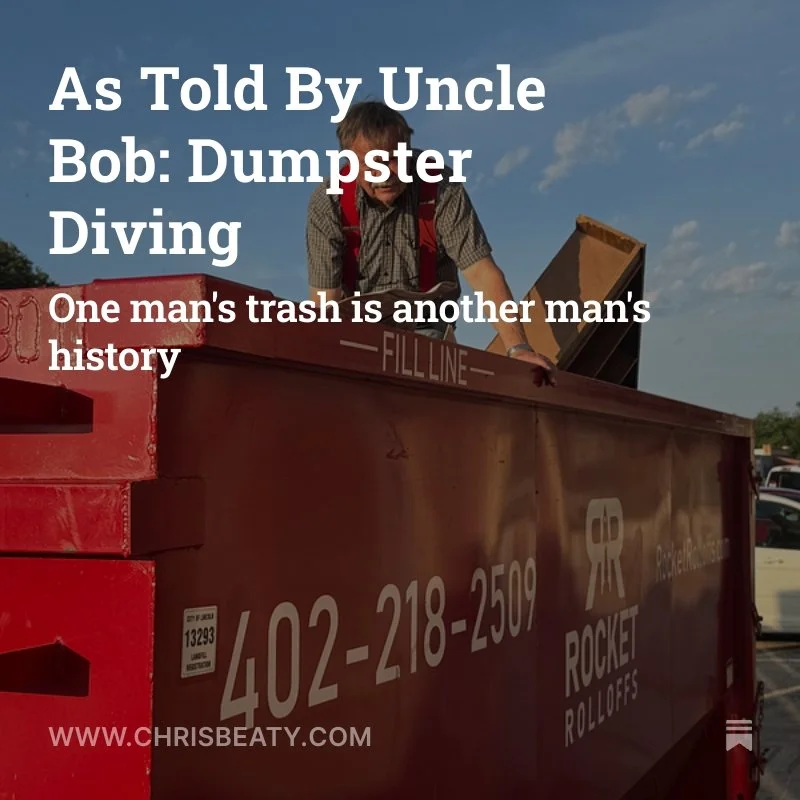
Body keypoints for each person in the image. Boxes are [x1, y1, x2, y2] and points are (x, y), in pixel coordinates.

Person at [305, 100, 556, 387]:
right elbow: (325, 303)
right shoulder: (328, 202)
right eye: (372, 163)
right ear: (349, 161)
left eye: (394, 158)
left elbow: (481, 272)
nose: (386, 173)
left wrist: (518, 349)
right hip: (362, 336)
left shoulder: (440, 186)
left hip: (430, 331)